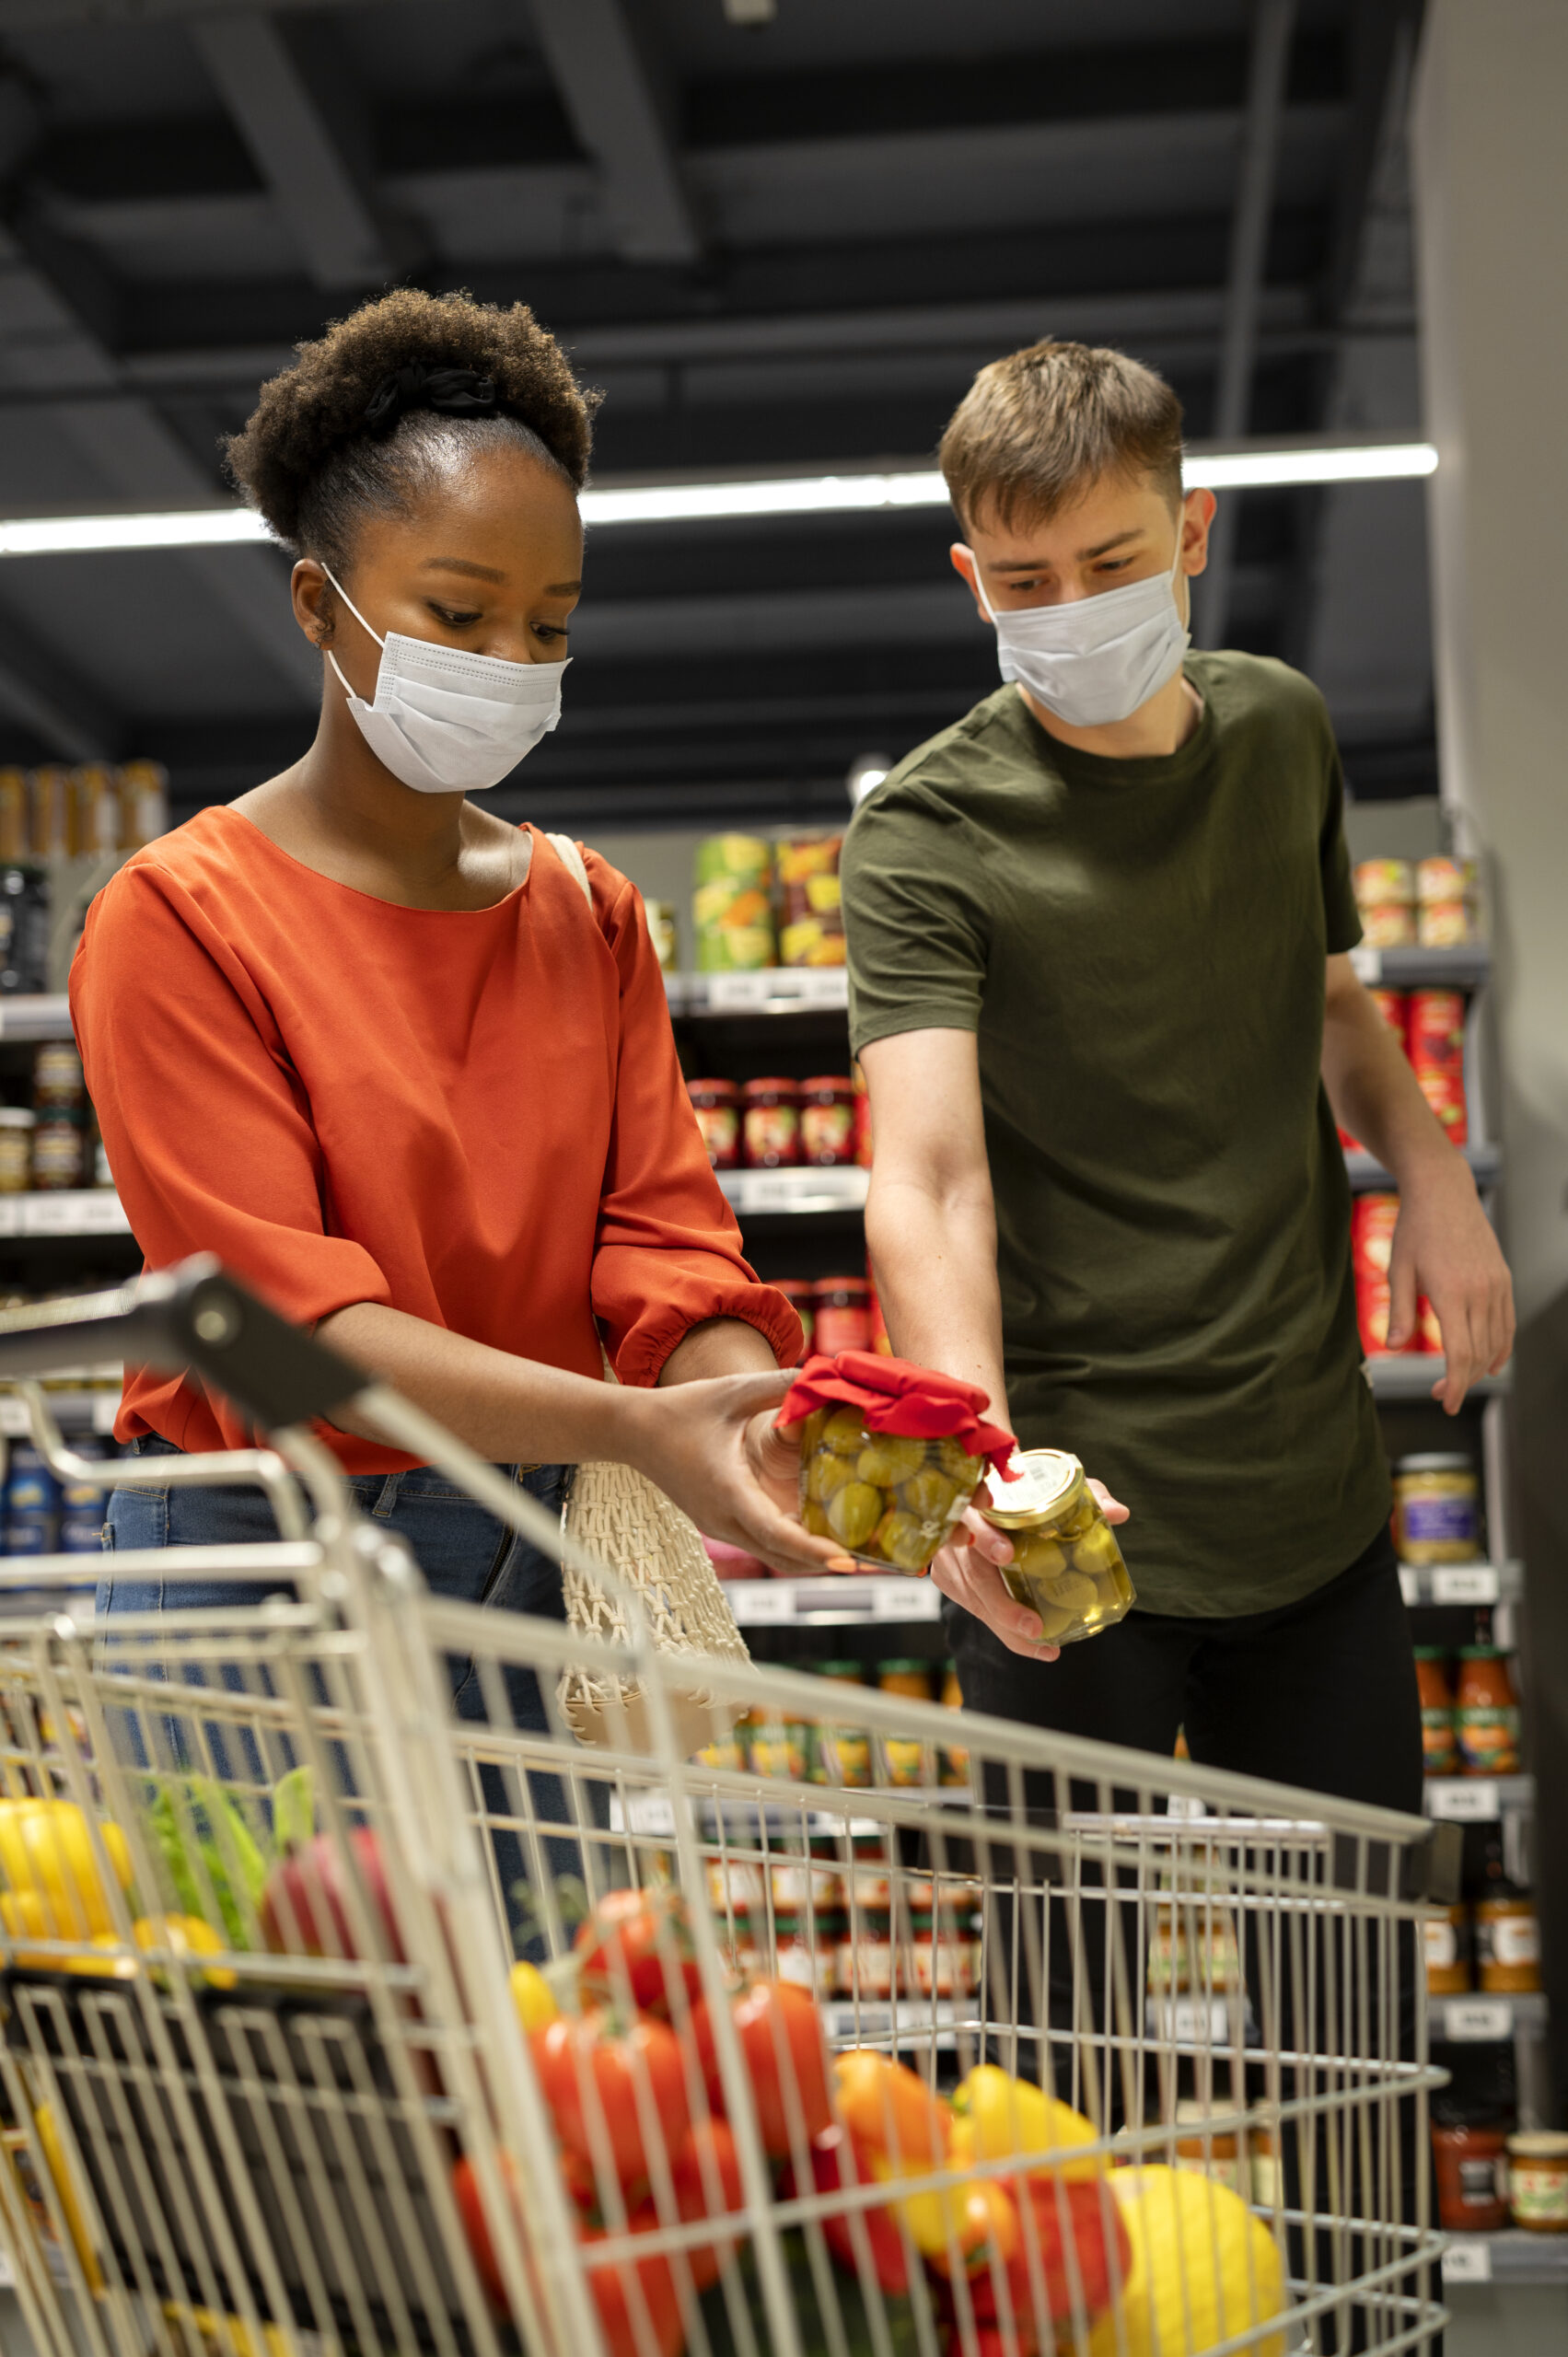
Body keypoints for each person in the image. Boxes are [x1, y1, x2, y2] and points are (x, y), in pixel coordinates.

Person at [72, 288, 848, 1709]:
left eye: (550, 624)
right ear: (321, 603)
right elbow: (287, 1333)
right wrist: (637, 1424)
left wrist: (742, 1412)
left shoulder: (588, 910)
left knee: (531, 1947)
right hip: (257, 1558)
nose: (514, 667)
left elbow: (666, 1245)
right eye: (458, 613)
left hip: (523, 1546)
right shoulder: (178, 920)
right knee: (281, 1935)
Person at [841, 336, 1514, 1813]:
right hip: (1073, 1525)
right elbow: (929, 1177)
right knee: (1065, 2021)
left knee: (1353, 2009)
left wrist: (1442, 1181)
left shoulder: (1282, 731)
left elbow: (1336, 1009)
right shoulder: (922, 835)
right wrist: (977, 1467)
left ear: (1191, 535)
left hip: (1315, 1503)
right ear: (972, 582)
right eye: (1024, 584)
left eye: (1111, 561)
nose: (1070, 610)